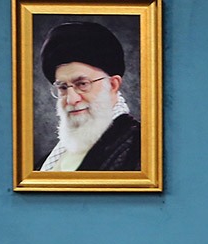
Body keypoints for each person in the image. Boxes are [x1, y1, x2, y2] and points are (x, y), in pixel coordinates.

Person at [38, 21, 140, 171]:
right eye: (63, 87)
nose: (71, 99)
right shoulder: (50, 159)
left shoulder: (139, 148)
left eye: (82, 84)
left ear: (113, 85)